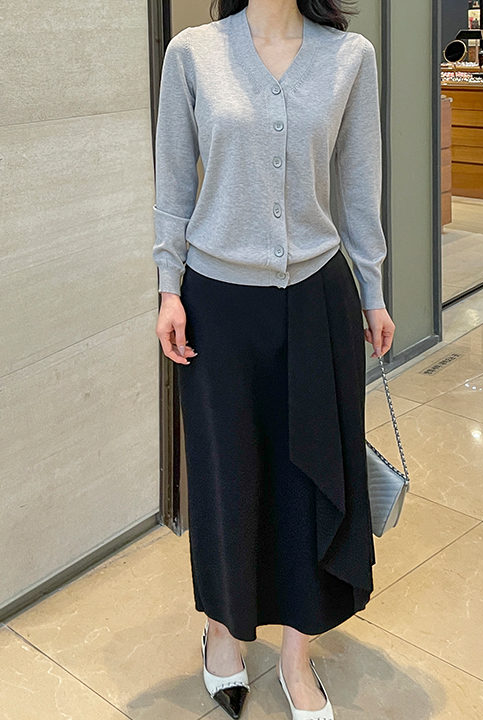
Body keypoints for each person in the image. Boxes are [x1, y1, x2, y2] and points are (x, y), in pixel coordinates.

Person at [153, 1, 395, 718]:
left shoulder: (350, 58)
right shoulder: (192, 54)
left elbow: (359, 185)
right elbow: (173, 184)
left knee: (309, 479)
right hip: (218, 306)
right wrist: (168, 286)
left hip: (317, 299)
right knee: (228, 478)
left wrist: (373, 291)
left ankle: (296, 655)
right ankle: (222, 633)